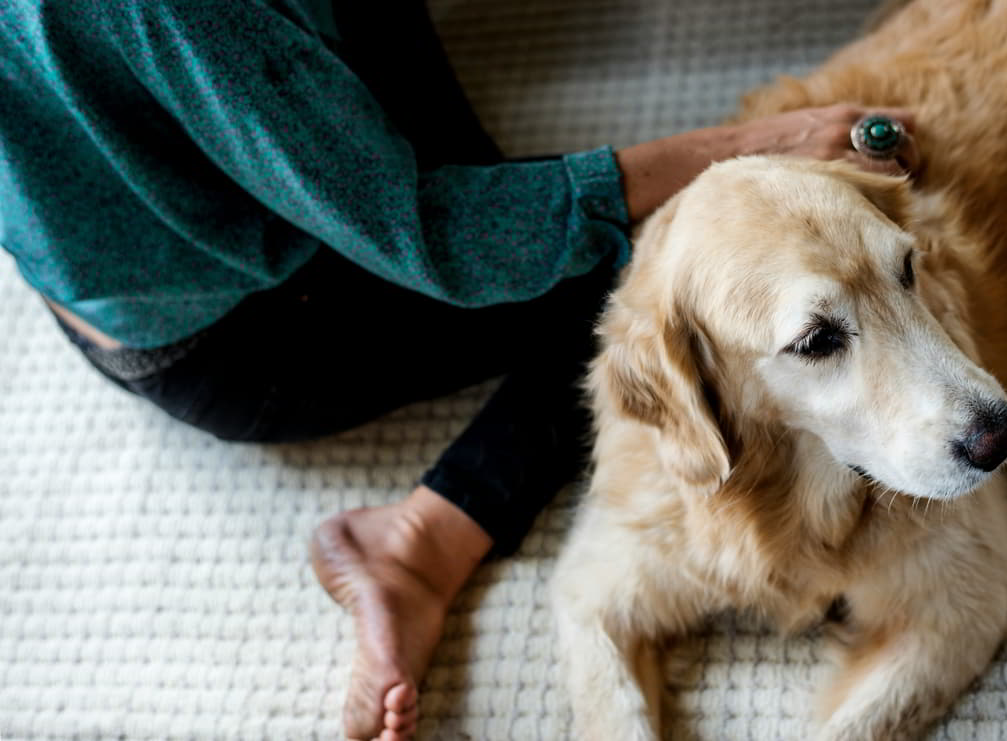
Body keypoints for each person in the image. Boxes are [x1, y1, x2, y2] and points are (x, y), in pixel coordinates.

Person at [0, 1, 919, 739]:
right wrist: (744, 150)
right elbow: (440, 235)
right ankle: (420, 543)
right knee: (660, 286)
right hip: (252, 328)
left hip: (115, 217)